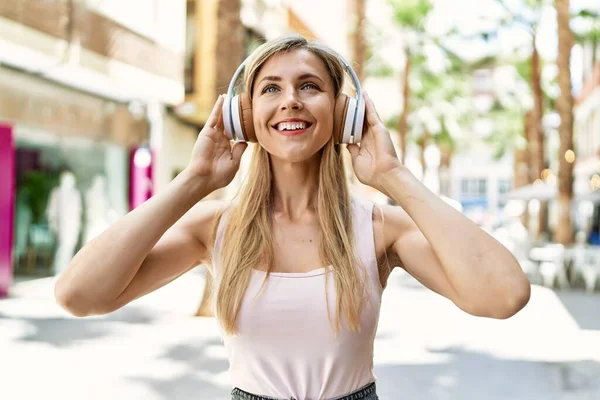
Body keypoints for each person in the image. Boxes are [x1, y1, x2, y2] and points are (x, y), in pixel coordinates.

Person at [54, 35, 531, 400]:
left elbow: (504, 295)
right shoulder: (215, 227)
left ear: (345, 112)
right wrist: (196, 178)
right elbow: (78, 295)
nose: (291, 101)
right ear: (246, 115)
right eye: (271, 88)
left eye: (309, 86)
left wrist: (392, 175)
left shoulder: (380, 227)